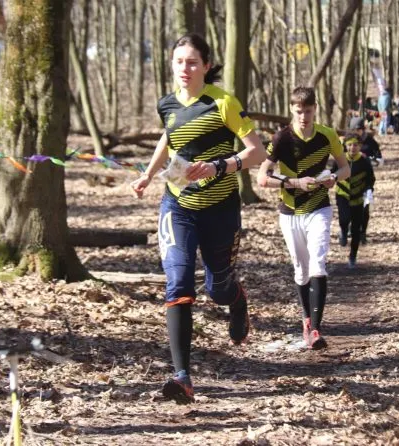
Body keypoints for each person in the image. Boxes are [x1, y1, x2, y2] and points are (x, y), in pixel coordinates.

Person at [131, 33, 266, 404]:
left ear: (206, 65)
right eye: (179, 62)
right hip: (178, 206)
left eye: (192, 62)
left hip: (220, 209)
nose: (185, 69)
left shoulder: (223, 103)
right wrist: (148, 174)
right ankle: (182, 377)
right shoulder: (167, 104)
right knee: (177, 281)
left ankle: (236, 299)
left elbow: (257, 152)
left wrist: (219, 166)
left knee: (217, 289)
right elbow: (169, 138)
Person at [257, 86, 350, 350]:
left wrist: (333, 177)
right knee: (301, 269)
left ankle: (316, 330)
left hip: (319, 207)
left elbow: (345, 168)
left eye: (308, 111)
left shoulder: (327, 135)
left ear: (315, 109)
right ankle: (307, 320)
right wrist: (295, 182)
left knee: (318, 263)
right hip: (290, 211)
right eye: (298, 111)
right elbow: (262, 177)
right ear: (291, 110)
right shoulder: (281, 139)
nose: (303, 117)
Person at [335, 134, 375, 269]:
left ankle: (353, 256)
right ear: (345, 146)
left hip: (358, 198)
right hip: (342, 195)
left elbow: (370, 179)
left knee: (356, 229)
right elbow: (332, 173)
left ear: (360, 146)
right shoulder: (340, 160)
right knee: (344, 219)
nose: (353, 147)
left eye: (356, 145)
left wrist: (369, 190)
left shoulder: (364, 162)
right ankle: (343, 230)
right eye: (350, 145)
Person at [348, 117, 383, 245]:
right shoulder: (346, 142)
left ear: (362, 129)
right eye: (353, 130)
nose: (356, 132)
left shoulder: (371, 142)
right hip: (349, 179)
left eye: (358, 129)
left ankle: (362, 233)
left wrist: (367, 158)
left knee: (364, 207)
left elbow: (380, 160)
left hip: (366, 180)